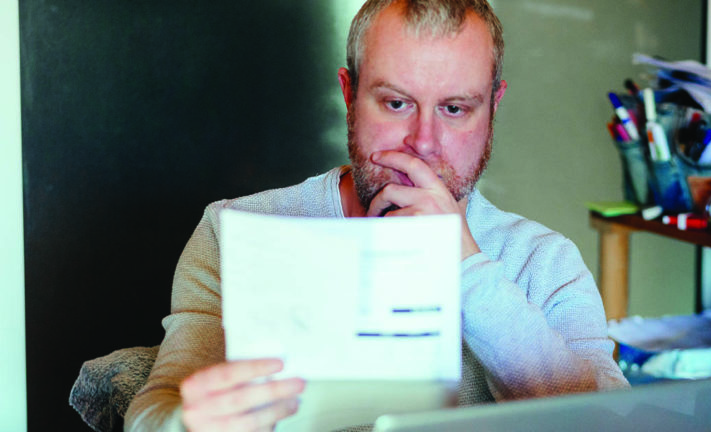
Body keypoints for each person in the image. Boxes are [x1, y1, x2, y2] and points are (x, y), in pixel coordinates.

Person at [125, 0, 629, 430]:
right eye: (395, 103)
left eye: (455, 109)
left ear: (493, 107)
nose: (424, 143)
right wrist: (185, 424)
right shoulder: (236, 231)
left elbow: (608, 421)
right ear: (349, 94)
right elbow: (155, 407)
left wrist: (467, 268)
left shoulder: (544, 262)